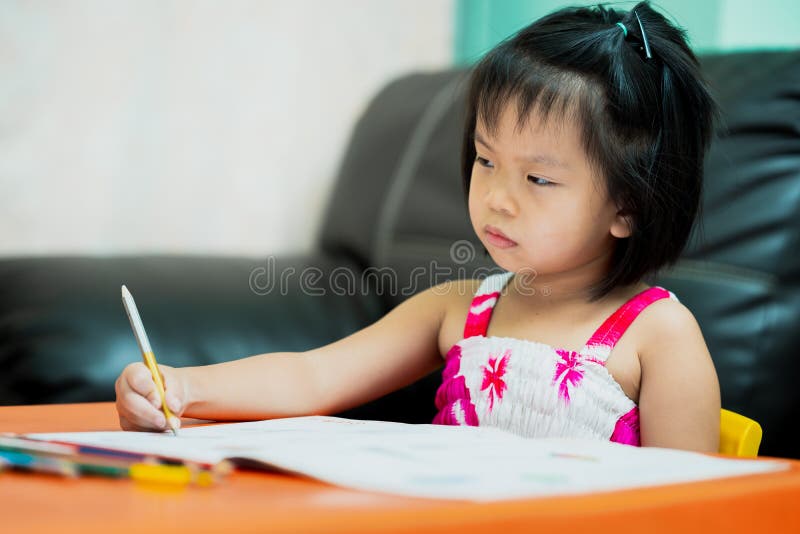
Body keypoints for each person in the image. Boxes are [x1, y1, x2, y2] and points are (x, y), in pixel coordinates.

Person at [115, 1, 721, 451]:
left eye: (537, 179)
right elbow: (314, 375)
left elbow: (696, 506)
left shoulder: (657, 339)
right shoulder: (462, 310)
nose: (497, 199)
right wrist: (180, 389)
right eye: (486, 160)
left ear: (629, 206)